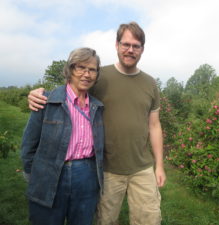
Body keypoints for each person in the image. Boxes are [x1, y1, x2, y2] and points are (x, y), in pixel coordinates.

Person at [28, 22, 166, 225]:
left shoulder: (150, 83)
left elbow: (154, 125)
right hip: (106, 169)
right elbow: (69, 93)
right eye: (126, 44)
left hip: (142, 167)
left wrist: (159, 166)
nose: (130, 50)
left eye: (136, 46)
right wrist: (38, 94)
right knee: (105, 220)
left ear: (142, 49)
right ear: (117, 45)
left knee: (149, 220)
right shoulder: (100, 77)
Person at [22, 47, 104, 225]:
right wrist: (34, 176)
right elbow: (29, 145)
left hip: (86, 175)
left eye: (92, 69)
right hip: (50, 174)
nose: (86, 74)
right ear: (70, 69)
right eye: (80, 67)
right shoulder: (47, 100)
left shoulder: (97, 107)